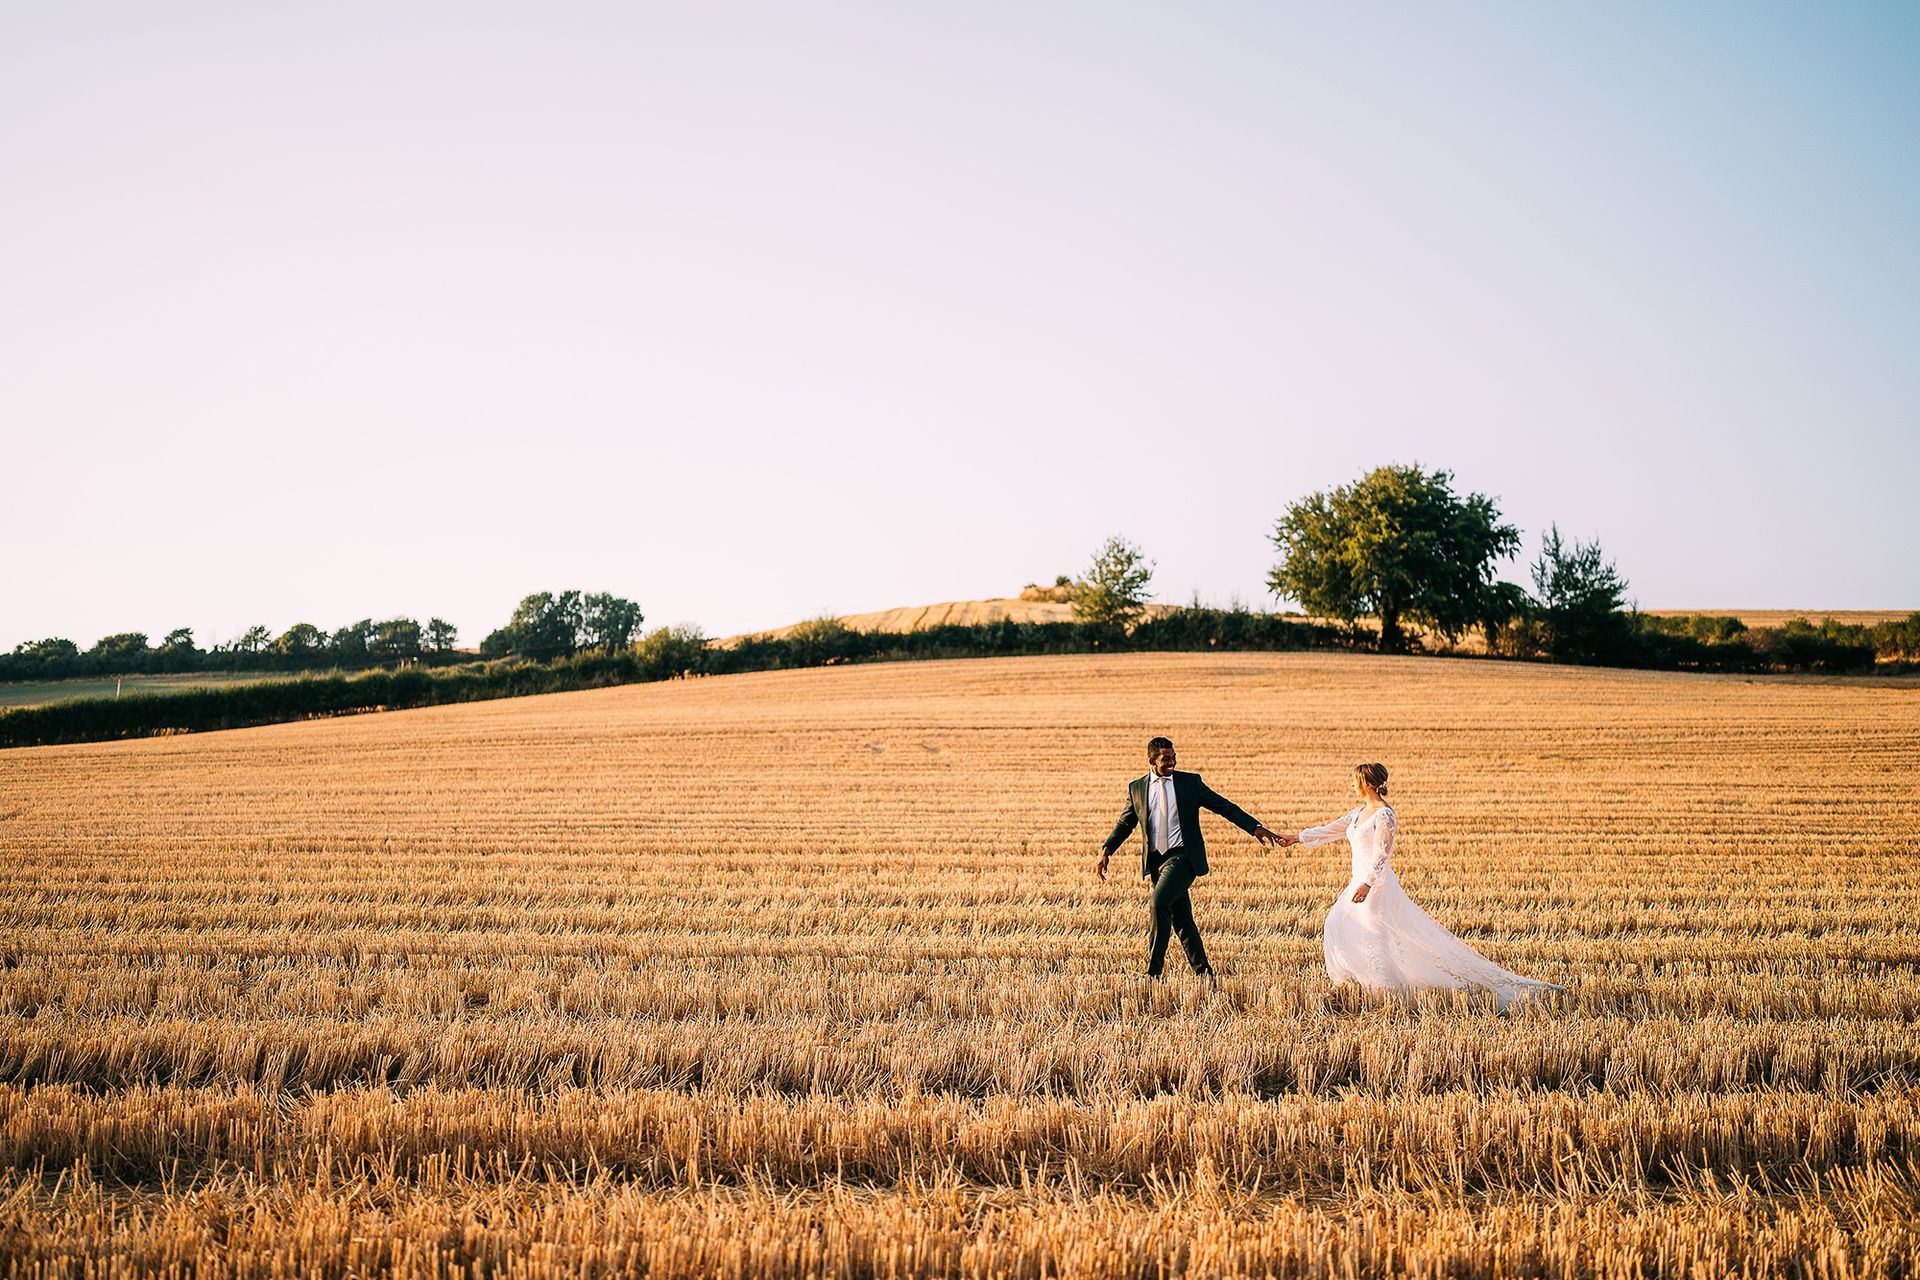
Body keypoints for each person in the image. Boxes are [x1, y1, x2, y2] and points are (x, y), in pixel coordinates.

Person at [1288, 763, 1563, 1010]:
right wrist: (1296, 838)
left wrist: (1367, 884)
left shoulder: (1384, 815)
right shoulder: (1359, 812)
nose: (1352, 785)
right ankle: (1347, 985)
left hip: (1374, 884)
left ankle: (1386, 993)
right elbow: (1331, 829)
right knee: (1337, 922)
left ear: (1368, 784)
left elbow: (1383, 854)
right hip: (1358, 881)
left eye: (1355, 781)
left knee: (1373, 934)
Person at [1098, 736, 1285, 981]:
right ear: (1151, 760)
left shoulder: (1190, 783)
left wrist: (1255, 827)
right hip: (1156, 862)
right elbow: (1126, 823)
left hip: (1183, 857)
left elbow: (1223, 806)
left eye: (1174, 757)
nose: (1172, 762)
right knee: (1182, 920)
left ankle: (1153, 973)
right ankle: (1205, 974)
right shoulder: (1137, 788)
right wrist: (1107, 849)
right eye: (1166, 758)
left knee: (1158, 903)